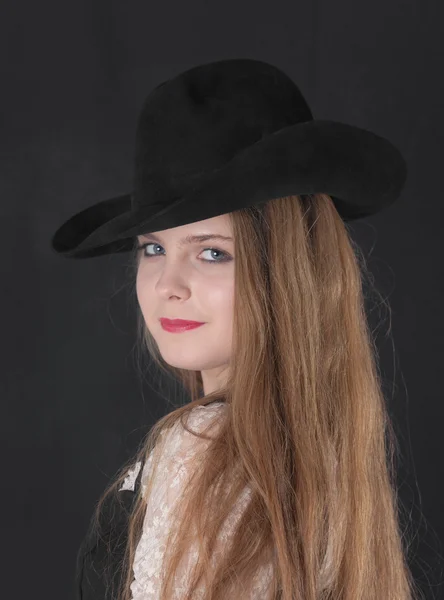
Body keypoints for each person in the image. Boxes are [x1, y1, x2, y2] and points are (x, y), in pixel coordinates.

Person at [51, 58, 421, 599]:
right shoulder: (322, 453)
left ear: (287, 273)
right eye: (154, 248)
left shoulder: (200, 450)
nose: (168, 284)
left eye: (211, 252)